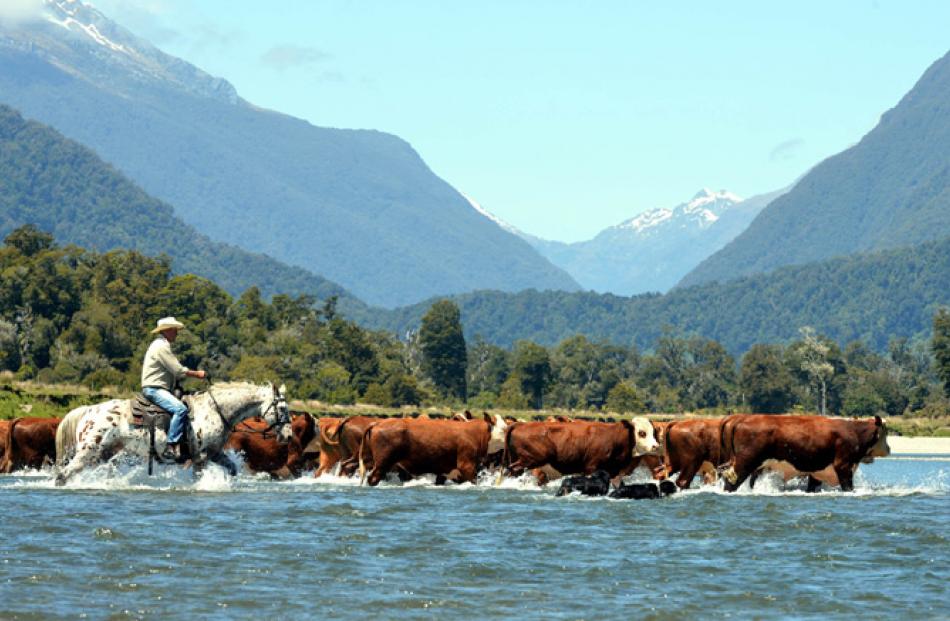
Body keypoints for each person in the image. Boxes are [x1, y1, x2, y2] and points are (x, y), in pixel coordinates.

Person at [141, 317, 207, 460]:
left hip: (159, 388)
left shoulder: (160, 345)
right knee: (180, 409)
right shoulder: (161, 346)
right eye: (174, 329)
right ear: (167, 330)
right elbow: (178, 370)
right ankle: (171, 445)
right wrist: (197, 374)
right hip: (154, 389)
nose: (177, 332)